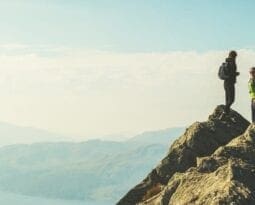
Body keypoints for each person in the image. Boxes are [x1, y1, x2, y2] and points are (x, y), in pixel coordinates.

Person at [220, 50, 240, 119]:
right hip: (230, 83)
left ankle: (226, 114)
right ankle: (224, 113)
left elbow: (228, 72)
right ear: (234, 56)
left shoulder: (226, 62)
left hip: (226, 82)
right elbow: (231, 73)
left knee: (227, 99)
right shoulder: (231, 62)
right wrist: (236, 74)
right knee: (231, 99)